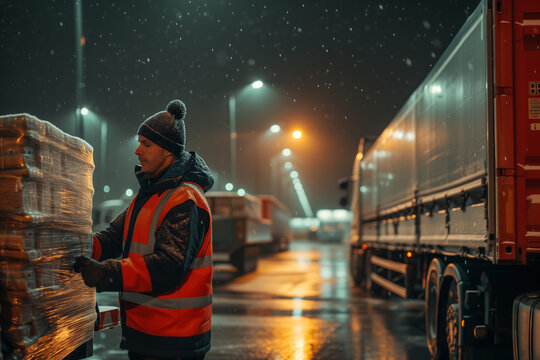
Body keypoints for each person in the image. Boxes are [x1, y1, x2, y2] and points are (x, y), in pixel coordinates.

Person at [74, 99, 214, 360]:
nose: (137, 151)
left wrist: (105, 274)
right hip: (149, 334)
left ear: (168, 151)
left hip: (174, 340)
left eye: (146, 144)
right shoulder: (149, 196)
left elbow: (169, 265)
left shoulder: (185, 200)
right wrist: (75, 246)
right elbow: (114, 237)